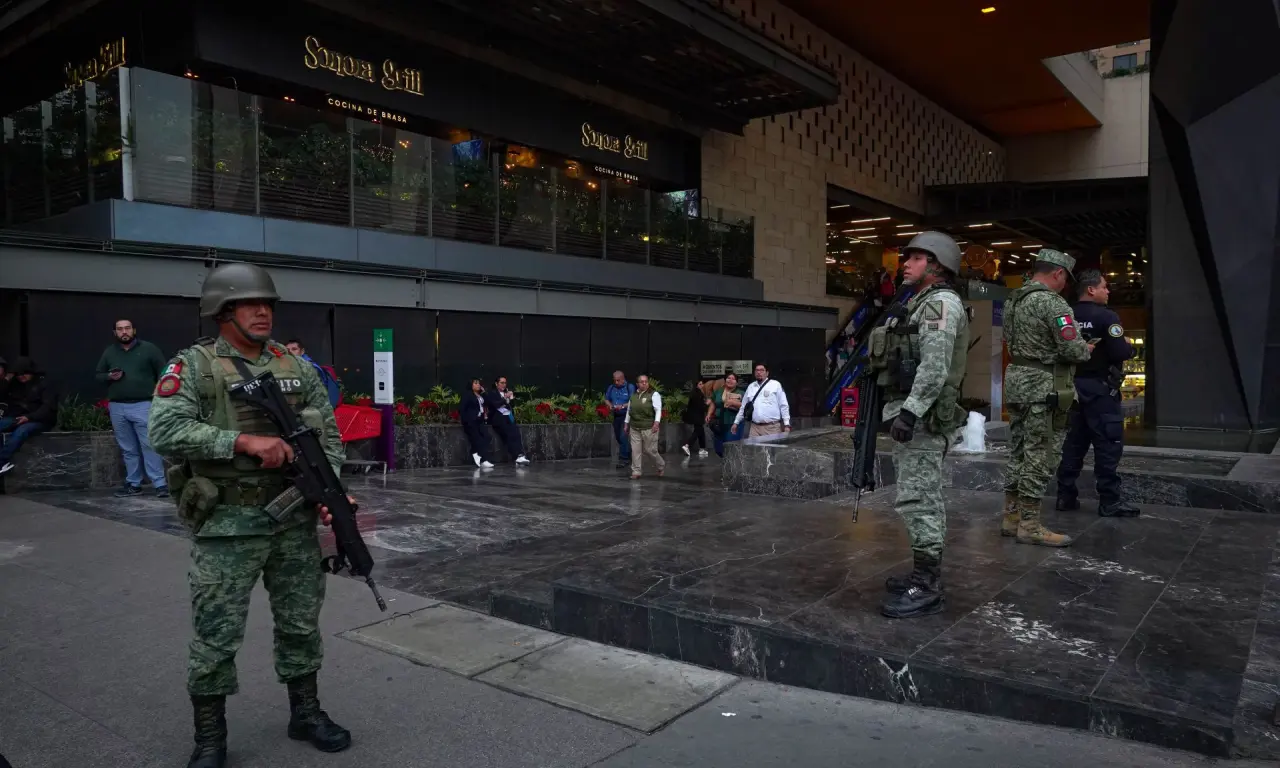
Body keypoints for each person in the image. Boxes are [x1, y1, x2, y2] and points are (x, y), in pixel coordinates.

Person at [147, 262, 352, 768]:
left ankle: (305, 712)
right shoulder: (193, 365)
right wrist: (241, 440)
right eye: (249, 304)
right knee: (216, 634)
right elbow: (165, 430)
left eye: (269, 304)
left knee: (301, 624)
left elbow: (327, 434)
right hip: (227, 524)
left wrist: (332, 489)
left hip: (293, 520)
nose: (263, 312)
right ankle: (210, 738)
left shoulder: (293, 365)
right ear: (222, 311)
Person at [869, 232, 970, 619]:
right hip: (920, 414)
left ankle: (927, 583)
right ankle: (922, 570)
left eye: (914, 258)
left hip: (924, 419)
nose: (905, 264)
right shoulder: (921, 302)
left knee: (920, 498)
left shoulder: (939, 303)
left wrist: (910, 412)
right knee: (917, 495)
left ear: (937, 265)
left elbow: (935, 364)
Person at [1001, 249, 1094, 547]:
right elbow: (1073, 349)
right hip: (1044, 388)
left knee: (1018, 451)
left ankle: (1011, 517)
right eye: (1065, 278)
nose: (1065, 285)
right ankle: (1029, 525)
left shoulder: (1013, 300)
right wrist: (1085, 349)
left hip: (1016, 382)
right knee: (1040, 455)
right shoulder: (1052, 302)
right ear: (1058, 273)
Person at [1054, 270, 1139, 518]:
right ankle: (1109, 501)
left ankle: (1065, 496)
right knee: (1107, 444)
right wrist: (1130, 350)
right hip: (1101, 391)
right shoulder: (1107, 316)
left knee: (1072, 444)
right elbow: (1120, 352)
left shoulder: (1066, 316)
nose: (1108, 291)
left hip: (1070, 389)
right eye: (1104, 287)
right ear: (1091, 290)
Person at [95, 318, 169, 497]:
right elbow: (98, 375)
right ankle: (133, 484)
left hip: (143, 404)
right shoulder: (110, 352)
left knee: (149, 445)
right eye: (120, 329)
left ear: (134, 330)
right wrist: (109, 377)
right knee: (128, 448)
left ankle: (160, 484)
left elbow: (165, 372)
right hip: (117, 406)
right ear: (115, 333)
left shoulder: (149, 349)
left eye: (127, 328)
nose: (124, 332)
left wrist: (160, 396)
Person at [0, 357, 58, 476]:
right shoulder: (16, 384)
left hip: (40, 420)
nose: (21, 376)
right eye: (18, 374)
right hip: (19, 417)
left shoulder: (44, 384)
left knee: (21, 431)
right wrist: (7, 379)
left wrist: (29, 417)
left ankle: (1, 462)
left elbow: (47, 408)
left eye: (24, 373)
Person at [731, 363, 791, 438]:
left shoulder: (775, 385)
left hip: (772, 428)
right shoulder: (751, 386)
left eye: (762, 370)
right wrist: (736, 423)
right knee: (753, 449)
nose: (759, 372)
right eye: (757, 370)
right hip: (754, 428)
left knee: (772, 449)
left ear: (767, 373)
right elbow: (743, 407)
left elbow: (783, 405)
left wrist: (786, 424)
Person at [623, 374, 664, 479]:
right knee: (635, 450)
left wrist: (656, 422)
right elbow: (629, 410)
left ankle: (660, 465)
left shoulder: (654, 394)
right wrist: (626, 423)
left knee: (650, 450)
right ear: (637, 384)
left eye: (646, 381)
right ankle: (636, 471)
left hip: (649, 427)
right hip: (635, 427)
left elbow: (658, 409)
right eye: (642, 382)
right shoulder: (633, 396)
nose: (644, 383)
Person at [484, 376, 530, 465]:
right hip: (498, 418)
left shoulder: (507, 392)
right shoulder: (491, 393)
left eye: (505, 383)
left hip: (508, 416)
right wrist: (505, 399)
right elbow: (495, 405)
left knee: (516, 432)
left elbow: (511, 406)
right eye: (501, 383)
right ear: (496, 384)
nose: (504, 385)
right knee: (509, 433)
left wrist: (511, 398)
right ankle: (517, 455)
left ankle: (520, 455)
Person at [285, 339, 342, 409]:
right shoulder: (289, 366)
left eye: (294, 349)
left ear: (302, 351)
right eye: (287, 350)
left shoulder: (311, 368)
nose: (290, 352)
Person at [459, 378, 496, 469]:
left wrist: (484, 393)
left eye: (479, 383)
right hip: (471, 421)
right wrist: (466, 420)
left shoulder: (480, 395)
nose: (478, 385)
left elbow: (488, 403)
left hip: (479, 420)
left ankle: (475, 452)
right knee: (478, 439)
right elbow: (462, 409)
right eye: (475, 383)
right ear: (471, 385)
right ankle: (483, 460)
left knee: (487, 436)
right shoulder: (468, 395)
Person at [706, 372, 744, 457]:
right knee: (719, 449)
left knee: (730, 447)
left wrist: (733, 402)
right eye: (728, 378)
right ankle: (726, 463)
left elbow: (744, 406)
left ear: (736, 382)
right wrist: (709, 414)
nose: (730, 380)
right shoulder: (718, 392)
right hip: (718, 423)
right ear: (725, 380)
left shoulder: (741, 393)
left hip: (733, 423)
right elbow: (713, 403)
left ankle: (731, 467)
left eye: (733, 379)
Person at [604, 371, 636, 468]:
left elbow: (632, 401)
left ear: (623, 379)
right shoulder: (611, 387)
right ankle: (629, 455)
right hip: (616, 416)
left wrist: (622, 406)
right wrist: (610, 405)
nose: (616, 382)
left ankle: (623, 459)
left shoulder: (629, 387)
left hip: (626, 416)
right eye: (615, 380)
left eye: (618, 380)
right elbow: (606, 399)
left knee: (623, 436)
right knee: (618, 437)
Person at [681, 379, 708, 457]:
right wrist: (707, 404)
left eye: (703, 384)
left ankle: (702, 448)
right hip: (697, 417)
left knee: (701, 431)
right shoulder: (697, 394)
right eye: (700, 384)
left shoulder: (696, 393)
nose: (702, 386)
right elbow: (701, 407)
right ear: (697, 385)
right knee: (697, 431)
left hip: (695, 416)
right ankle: (687, 445)